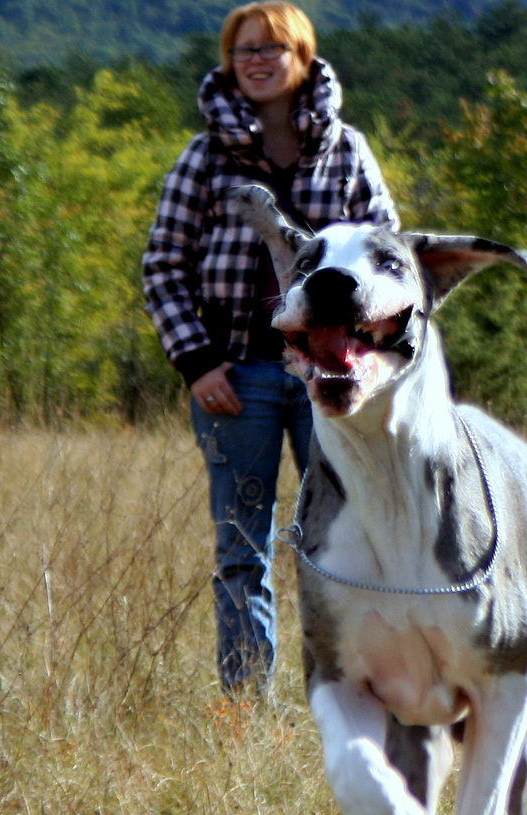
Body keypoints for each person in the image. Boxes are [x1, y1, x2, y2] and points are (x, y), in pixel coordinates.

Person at [143, 1, 399, 693]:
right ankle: (244, 716)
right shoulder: (203, 157)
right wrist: (196, 363)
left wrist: (368, 364)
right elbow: (162, 265)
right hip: (237, 379)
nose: (256, 60)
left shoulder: (346, 149)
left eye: (271, 48)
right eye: (243, 50)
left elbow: (387, 260)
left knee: (342, 546)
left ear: (302, 58)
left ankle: (347, 700)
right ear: (230, 64)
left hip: (331, 380)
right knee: (240, 549)